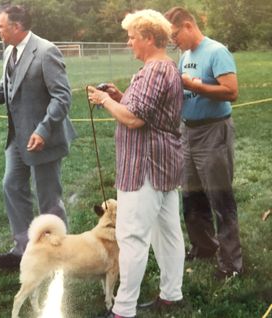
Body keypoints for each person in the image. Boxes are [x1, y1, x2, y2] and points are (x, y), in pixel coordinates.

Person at [0, 4, 76, 270]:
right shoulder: (8, 51)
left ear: (16, 27)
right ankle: (24, 250)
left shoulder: (46, 52)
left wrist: (43, 130)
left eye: (0, 26)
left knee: (49, 198)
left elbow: (62, 97)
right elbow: (7, 88)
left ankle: (59, 256)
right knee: (12, 186)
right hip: (18, 137)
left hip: (43, 138)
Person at [88, 9, 185, 318]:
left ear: (148, 38)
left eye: (131, 37)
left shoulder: (155, 70)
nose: (128, 43)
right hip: (163, 166)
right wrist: (119, 95)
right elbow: (143, 107)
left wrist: (105, 101)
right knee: (167, 232)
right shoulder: (163, 68)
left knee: (131, 238)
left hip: (144, 168)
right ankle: (171, 294)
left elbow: (134, 118)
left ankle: (123, 309)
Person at [164, 7, 243, 279]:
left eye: (175, 34)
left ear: (188, 25)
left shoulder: (216, 51)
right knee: (191, 196)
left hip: (213, 132)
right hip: (189, 133)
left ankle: (232, 263)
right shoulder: (185, 56)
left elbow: (232, 92)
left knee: (220, 197)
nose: (174, 41)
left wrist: (196, 86)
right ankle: (205, 246)